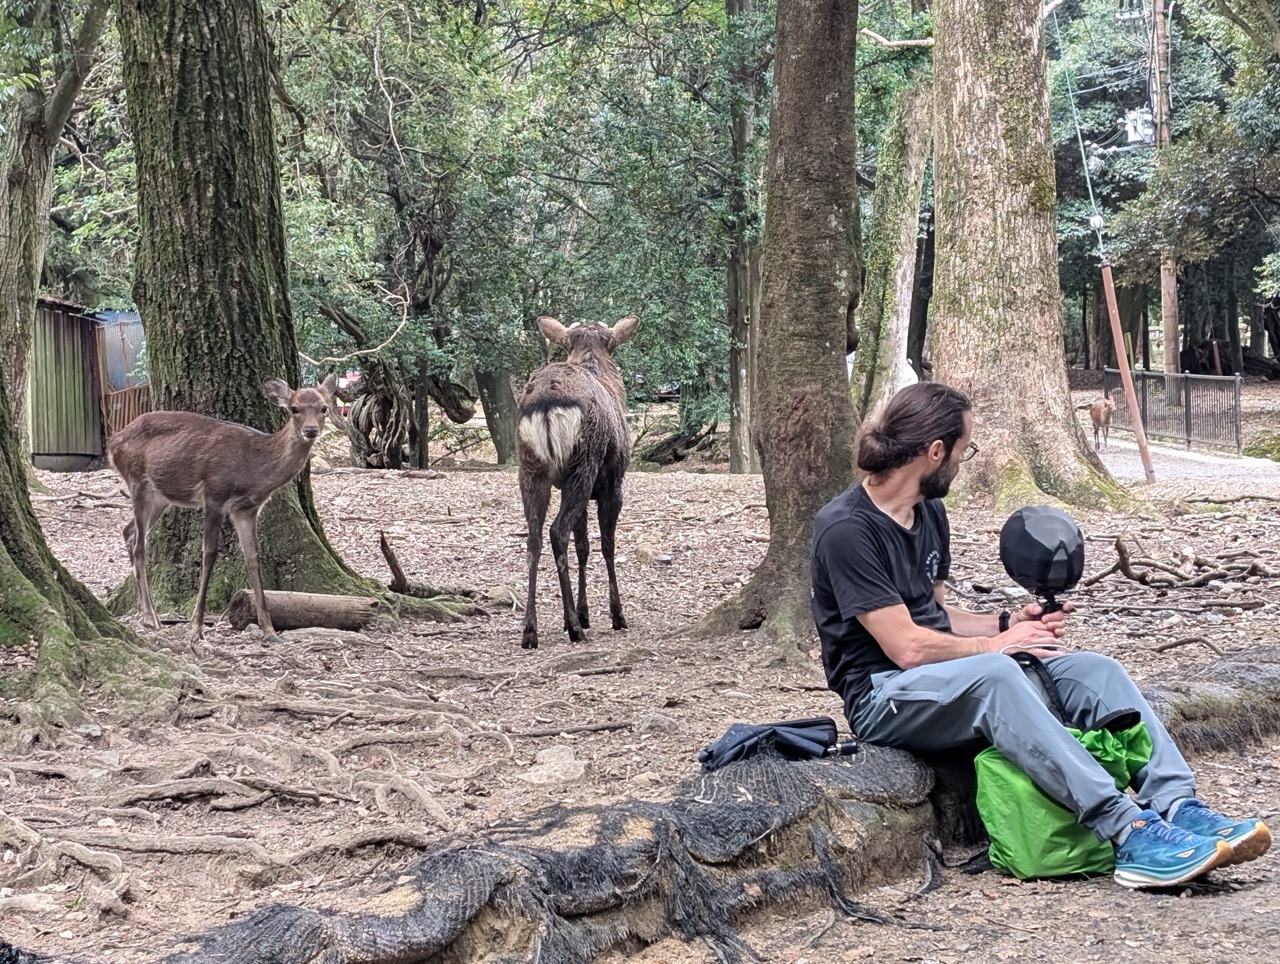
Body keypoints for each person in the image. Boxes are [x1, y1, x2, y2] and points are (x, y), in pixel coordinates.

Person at [810, 382, 1271, 889]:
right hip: (883, 697)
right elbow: (907, 646)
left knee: (1097, 670)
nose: (965, 463)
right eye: (965, 450)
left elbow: (935, 614)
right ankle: (1129, 830)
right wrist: (994, 648)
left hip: (953, 675)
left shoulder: (929, 513)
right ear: (934, 451)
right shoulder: (846, 529)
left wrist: (1010, 624)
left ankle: (1178, 804)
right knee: (997, 675)